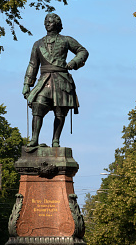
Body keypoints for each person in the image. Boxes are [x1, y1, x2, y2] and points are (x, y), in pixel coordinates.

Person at [22, 13, 89, 147]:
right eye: (46, 21)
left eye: (51, 22)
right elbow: (33, 65)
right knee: (38, 105)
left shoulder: (66, 40)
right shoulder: (38, 44)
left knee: (60, 111)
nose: (47, 24)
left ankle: (55, 140)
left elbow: (83, 51)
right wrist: (27, 84)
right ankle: (34, 139)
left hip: (61, 80)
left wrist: (74, 62)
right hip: (44, 80)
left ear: (57, 25)